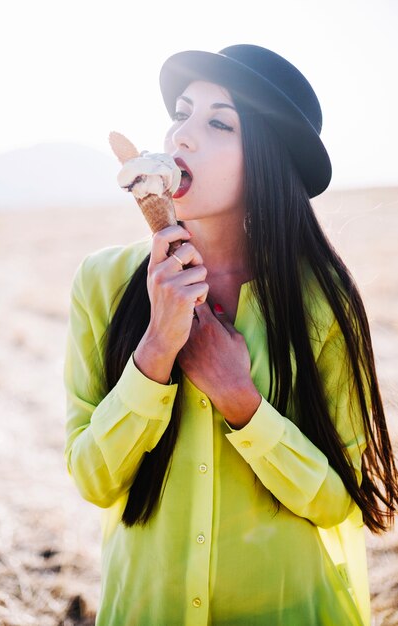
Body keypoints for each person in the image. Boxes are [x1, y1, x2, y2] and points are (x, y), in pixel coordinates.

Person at [64, 45, 398, 625]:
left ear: (268, 161)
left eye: (219, 122)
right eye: (182, 112)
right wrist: (156, 349)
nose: (182, 136)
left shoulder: (321, 302)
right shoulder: (102, 282)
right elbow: (93, 479)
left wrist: (240, 400)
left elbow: (337, 501)